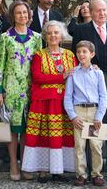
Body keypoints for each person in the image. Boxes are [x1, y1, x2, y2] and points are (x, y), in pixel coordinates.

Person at [71, 0, 107, 180]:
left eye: (104, 10)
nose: (102, 13)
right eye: (98, 10)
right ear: (91, 12)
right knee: (93, 122)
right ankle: (93, 168)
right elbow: (75, 54)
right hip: (90, 83)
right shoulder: (81, 30)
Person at [22, 20, 76, 183]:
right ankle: (43, 169)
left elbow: (76, 75)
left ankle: (58, 170)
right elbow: (38, 77)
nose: (53, 35)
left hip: (63, 102)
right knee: (43, 136)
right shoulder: (39, 54)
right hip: (43, 102)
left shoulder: (70, 55)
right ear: (45, 36)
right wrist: (61, 76)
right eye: (50, 33)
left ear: (61, 36)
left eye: (56, 33)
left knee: (61, 136)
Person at [0, 1, 42, 181]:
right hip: (11, 90)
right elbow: (0, 65)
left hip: (31, 90)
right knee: (12, 130)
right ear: (13, 16)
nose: (22, 15)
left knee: (28, 129)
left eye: (25, 13)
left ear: (29, 15)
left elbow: (39, 64)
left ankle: (26, 164)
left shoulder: (37, 37)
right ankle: (14, 163)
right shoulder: (5, 37)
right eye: (18, 13)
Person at [64, 40, 107, 187]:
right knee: (79, 146)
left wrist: (99, 116)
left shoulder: (98, 73)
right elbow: (67, 97)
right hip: (79, 112)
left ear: (92, 54)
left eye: (85, 52)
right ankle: (81, 175)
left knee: (96, 146)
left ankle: (96, 174)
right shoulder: (72, 73)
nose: (81, 54)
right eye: (79, 52)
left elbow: (103, 96)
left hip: (94, 112)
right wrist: (73, 116)